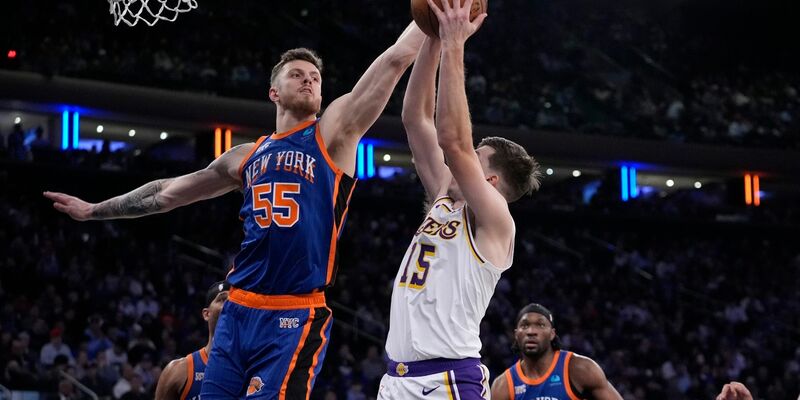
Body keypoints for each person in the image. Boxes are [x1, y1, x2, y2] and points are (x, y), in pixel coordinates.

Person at [44, 21, 425, 398]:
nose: (309, 80)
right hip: (238, 307)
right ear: (273, 92)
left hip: (294, 309)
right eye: (297, 75)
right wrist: (95, 210)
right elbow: (167, 193)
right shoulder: (245, 156)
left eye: (315, 77)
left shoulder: (333, 134)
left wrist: (435, 16)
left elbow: (394, 59)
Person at [378, 1, 540, 398]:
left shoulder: (495, 219)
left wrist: (454, 43)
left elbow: (453, 141)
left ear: (489, 179)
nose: (454, 166)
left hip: (448, 380)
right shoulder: (444, 199)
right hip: (395, 380)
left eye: (472, 161)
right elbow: (416, 118)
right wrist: (432, 38)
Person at [490, 304, 622, 400]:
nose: (531, 331)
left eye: (540, 325)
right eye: (524, 326)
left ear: (552, 334)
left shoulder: (580, 368)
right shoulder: (503, 385)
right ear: (516, 334)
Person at [155, 281, 229, 400]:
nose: (230, 305)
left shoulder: (253, 371)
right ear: (206, 314)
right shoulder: (179, 371)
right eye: (223, 299)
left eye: (235, 302)